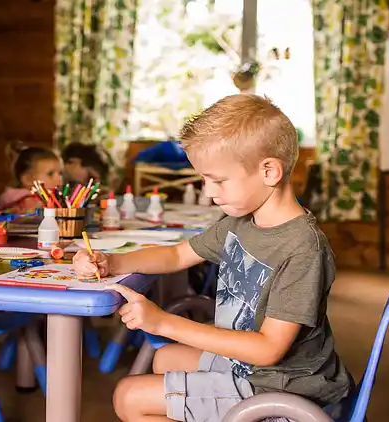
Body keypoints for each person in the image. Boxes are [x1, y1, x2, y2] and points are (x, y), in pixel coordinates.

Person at [73, 94, 353, 422]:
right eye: (204, 179)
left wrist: (163, 321)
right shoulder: (239, 222)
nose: (208, 191)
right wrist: (113, 262)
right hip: (255, 369)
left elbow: (268, 349)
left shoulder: (303, 249)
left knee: (128, 396)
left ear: (269, 171)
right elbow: (178, 254)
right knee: (165, 360)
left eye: (218, 180)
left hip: (283, 387)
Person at [0, 141, 62, 213]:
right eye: (50, 174)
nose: (59, 179)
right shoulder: (30, 202)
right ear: (28, 179)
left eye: (60, 173)